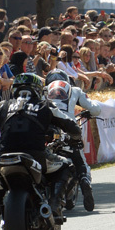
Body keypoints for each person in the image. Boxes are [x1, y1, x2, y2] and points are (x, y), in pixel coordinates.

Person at [0, 73, 83, 230]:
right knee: (66, 165)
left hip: (5, 158)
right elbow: (73, 127)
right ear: (37, 90)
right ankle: (55, 205)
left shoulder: (3, 106)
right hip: (36, 156)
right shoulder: (46, 105)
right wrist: (75, 139)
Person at [45, 69, 102, 211]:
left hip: (47, 129)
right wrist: (95, 104)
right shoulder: (75, 90)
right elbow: (95, 110)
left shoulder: (43, 91)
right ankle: (84, 180)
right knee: (78, 156)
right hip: (68, 126)